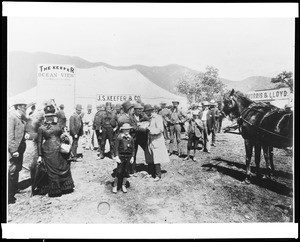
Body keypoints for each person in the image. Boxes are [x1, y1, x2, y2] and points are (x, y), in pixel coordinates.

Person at [36, 104, 74, 197]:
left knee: (63, 166)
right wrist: (40, 156)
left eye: (51, 117)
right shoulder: (42, 128)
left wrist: (65, 140)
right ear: (45, 117)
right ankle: (55, 189)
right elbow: (39, 142)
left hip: (59, 150)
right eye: (48, 117)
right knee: (52, 170)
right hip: (49, 151)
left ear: (54, 117)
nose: (50, 119)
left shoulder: (58, 126)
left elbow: (62, 137)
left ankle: (64, 187)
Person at [8, 99, 30, 204]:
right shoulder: (11, 117)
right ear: (18, 107)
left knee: (18, 169)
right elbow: (10, 135)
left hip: (20, 148)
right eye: (23, 107)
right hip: (14, 149)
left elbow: (25, 127)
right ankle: (9, 195)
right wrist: (13, 150)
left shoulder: (22, 117)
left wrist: (26, 133)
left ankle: (15, 188)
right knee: (12, 170)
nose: (25, 109)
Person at [143, 104, 170, 181]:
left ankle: (158, 175)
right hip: (151, 140)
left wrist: (149, 130)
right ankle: (151, 173)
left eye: (148, 111)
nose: (147, 113)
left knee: (157, 157)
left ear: (151, 111)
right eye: (146, 112)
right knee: (151, 156)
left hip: (157, 140)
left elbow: (160, 129)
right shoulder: (150, 118)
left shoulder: (157, 117)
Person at [112, 123, 135, 193]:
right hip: (121, 156)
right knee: (119, 171)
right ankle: (115, 185)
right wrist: (116, 156)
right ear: (122, 130)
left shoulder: (131, 138)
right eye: (125, 129)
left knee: (126, 171)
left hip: (128, 156)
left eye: (128, 129)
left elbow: (133, 148)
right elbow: (116, 148)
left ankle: (123, 185)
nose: (127, 131)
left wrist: (132, 157)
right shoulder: (119, 137)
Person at [131, 103, 149, 175]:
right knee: (134, 153)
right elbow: (134, 127)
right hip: (134, 137)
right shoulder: (131, 117)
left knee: (147, 150)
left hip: (142, 137)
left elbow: (148, 121)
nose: (139, 112)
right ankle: (133, 169)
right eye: (138, 110)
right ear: (134, 110)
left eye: (140, 110)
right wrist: (143, 129)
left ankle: (150, 166)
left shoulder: (143, 115)